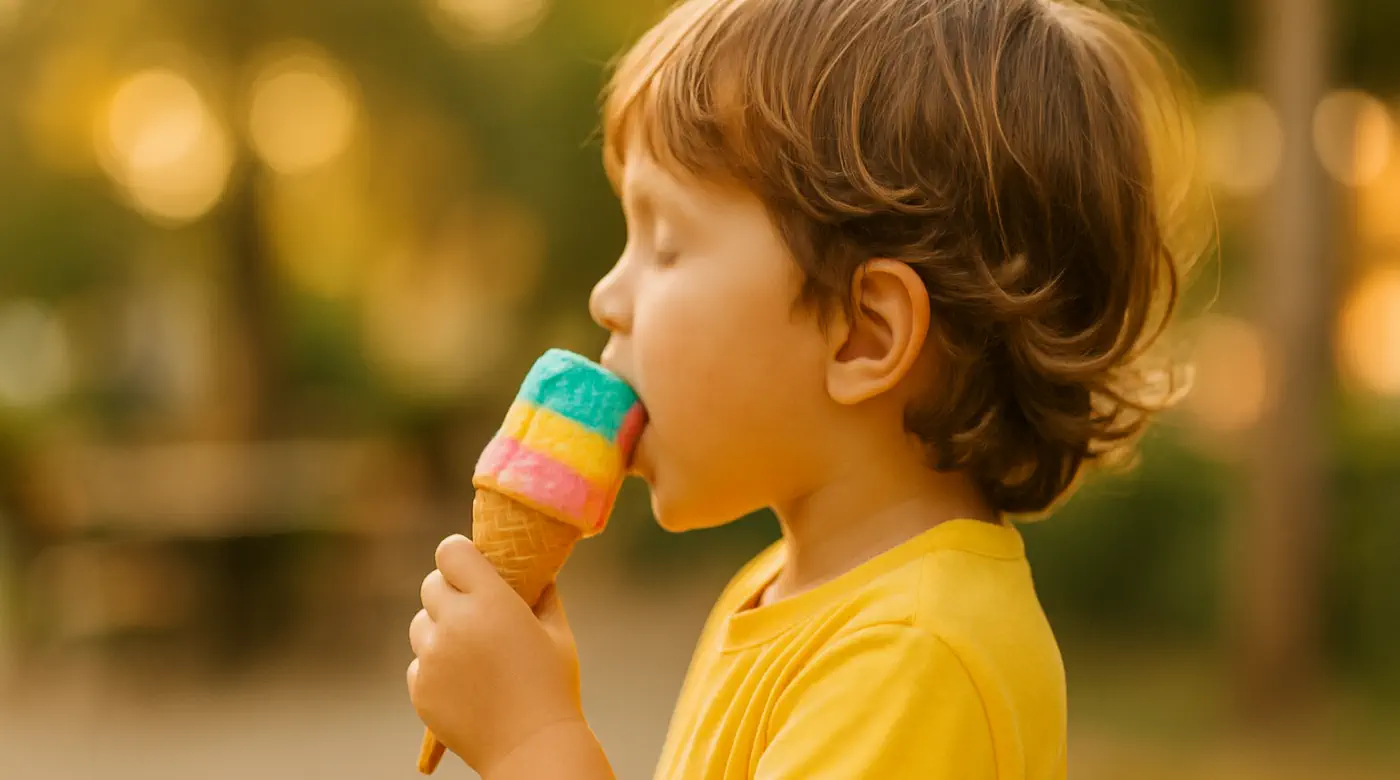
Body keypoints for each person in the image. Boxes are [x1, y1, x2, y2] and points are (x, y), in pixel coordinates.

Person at [406, 0, 1202, 777]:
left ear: (863, 333)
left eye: (668, 244)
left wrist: (530, 744)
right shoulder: (777, 589)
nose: (607, 296)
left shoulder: (912, 655)